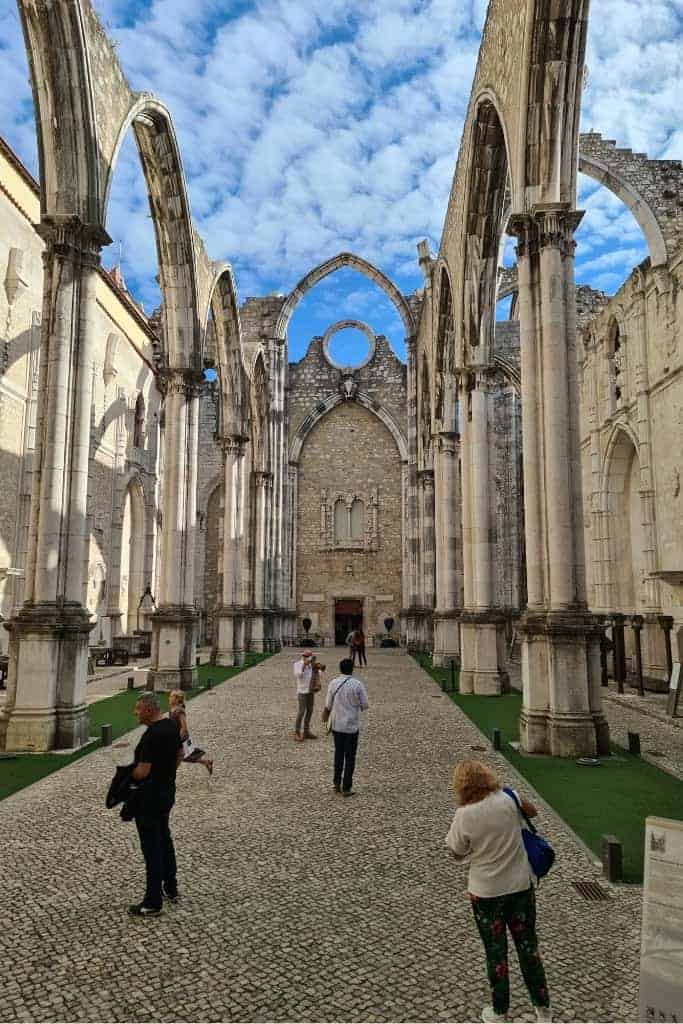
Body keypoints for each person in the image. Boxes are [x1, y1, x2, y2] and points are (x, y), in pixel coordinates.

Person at [445, 759, 552, 1023]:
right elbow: (533, 812)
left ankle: (500, 1012)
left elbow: (456, 852)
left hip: (486, 893)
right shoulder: (508, 797)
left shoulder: (464, 814)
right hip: (519, 887)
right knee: (528, 948)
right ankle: (543, 1011)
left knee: (496, 953)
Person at [128, 692, 183, 917]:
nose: (135, 712)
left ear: (149, 710)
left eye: (138, 708)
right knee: (164, 838)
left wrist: (127, 776)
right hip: (166, 792)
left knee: (151, 847)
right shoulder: (171, 725)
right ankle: (170, 887)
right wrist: (167, 774)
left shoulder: (151, 736)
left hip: (149, 798)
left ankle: (152, 902)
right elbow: (180, 754)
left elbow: (142, 771)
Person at [324, 657, 369, 797]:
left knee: (338, 754)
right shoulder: (357, 684)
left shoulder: (333, 683)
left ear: (340, 669)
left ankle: (336, 783)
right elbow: (365, 705)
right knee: (350, 756)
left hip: (337, 725)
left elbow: (328, 705)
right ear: (352, 669)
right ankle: (347, 787)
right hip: (351, 726)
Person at [168, 690, 213, 775]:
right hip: (175, 737)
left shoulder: (179, 711)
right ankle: (206, 762)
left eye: (171, 697)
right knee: (184, 756)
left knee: (178, 756)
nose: (169, 698)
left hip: (181, 737)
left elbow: (184, 727)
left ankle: (169, 776)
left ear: (177, 699)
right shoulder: (172, 709)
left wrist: (178, 739)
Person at [293, 650, 317, 741]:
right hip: (302, 691)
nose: (308, 658)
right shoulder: (297, 664)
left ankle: (306, 731)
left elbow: (319, 675)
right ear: (303, 656)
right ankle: (297, 732)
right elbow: (298, 675)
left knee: (310, 710)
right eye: (306, 656)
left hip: (311, 691)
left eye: (309, 656)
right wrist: (304, 665)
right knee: (301, 711)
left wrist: (316, 667)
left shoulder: (312, 665)